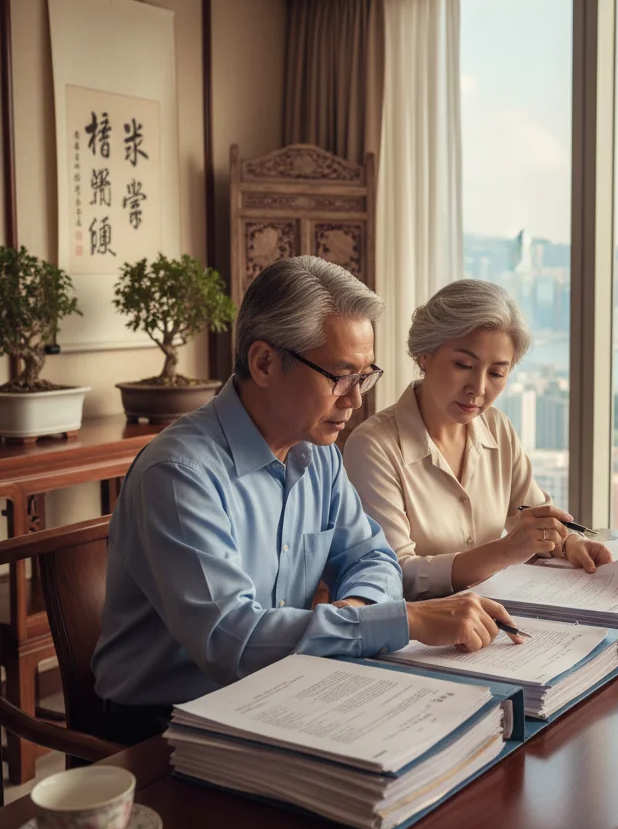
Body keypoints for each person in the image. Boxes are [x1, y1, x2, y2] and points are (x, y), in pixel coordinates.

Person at [92, 257, 519, 745]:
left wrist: (355, 617)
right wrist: (401, 620)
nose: (355, 400)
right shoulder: (179, 474)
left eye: (365, 376)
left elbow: (374, 559)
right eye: (340, 376)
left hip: (285, 690)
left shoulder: (319, 458)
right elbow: (232, 640)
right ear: (264, 363)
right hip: (163, 726)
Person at [345, 279, 612, 600]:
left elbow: (535, 513)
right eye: (463, 365)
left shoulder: (497, 428)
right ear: (424, 355)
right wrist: (506, 550)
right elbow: (393, 573)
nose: (479, 388)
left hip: (495, 617)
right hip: (419, 633)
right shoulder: (373, 446)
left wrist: (569, 542)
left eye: (497, 373)